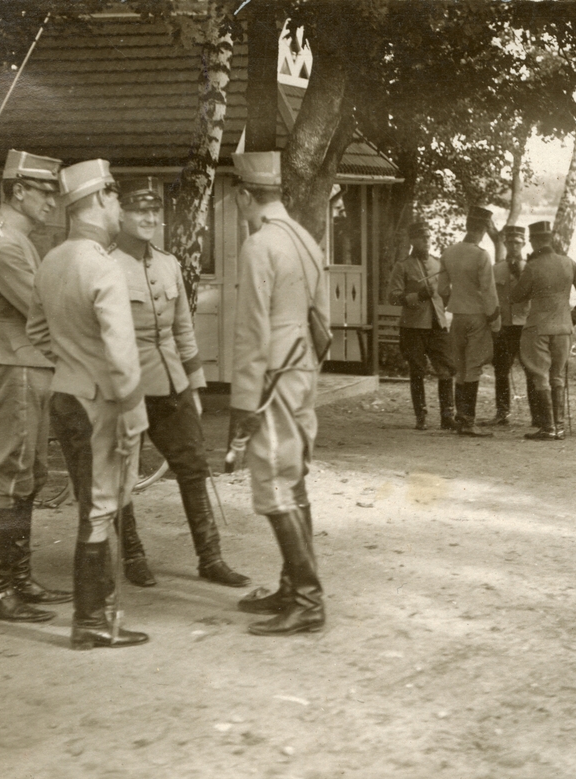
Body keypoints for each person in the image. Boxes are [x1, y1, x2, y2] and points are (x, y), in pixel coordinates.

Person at [27, 159, 150, 649]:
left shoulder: (51, 260)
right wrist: (135, 415)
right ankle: (91, 621)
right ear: (99, 198)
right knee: (100, 509)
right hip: (101, 404)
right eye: (116, 196)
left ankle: (93, 616)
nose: (120, 207)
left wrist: (72, 363)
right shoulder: (103, 265)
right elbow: (121, 353)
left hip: (65, 395)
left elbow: (37, 332)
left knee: (91, 504)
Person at [108, 177, 250, 589]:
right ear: (120, 214)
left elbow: (183, 330)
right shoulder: (107, 264)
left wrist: (195, 385)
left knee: (193, 466)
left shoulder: (168, 264)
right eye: (139, 210)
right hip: (126, 387)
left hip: (171, 384)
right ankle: (133, 555)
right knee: (121, 473)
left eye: (155, 211)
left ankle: (211, 557)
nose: (149, 218)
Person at [226, 151, 331, 637]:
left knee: (272, 481)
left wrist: (243, 403)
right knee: (293, 477)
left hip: (272, 376)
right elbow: (324, 321)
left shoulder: (259, 244)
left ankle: (307, 600)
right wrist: (304, 367)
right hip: (301, 367)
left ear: (244, 195)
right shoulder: (305, 238)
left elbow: (251, 330)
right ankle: (293, 588)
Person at [0, 149, 71, 623]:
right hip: (16, 362)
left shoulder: (19, 240)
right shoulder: (4, 245)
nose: (51, 201)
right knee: (11, 472)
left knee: (31, 473)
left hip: (29, 363)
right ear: (18, 192)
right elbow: (42, 309)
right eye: (43, 192)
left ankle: (18, 578)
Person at [511, 221, 576, 440]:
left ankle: (548, 427)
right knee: (557, 376)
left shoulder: (532, 266)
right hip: (563, 328)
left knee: (541, 376)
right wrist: (574, 317)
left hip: (538, 328)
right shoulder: (569, 263)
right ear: (550, 240)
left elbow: (516, 296)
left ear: (534, 241)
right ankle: (558, 427)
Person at [438, 206, 501, 437]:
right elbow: (489, 292)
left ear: (467, 226)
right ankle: (468, 422)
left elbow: (442, 289)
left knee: (461, 367)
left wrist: (453, 303)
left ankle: (461, 418)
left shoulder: (449, 252)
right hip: (477, 317)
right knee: (473, 367)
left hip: (457, 317)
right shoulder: (481, 255)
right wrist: (495, 321)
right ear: (483, 229)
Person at [386, 220, 455, 431]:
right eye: (421, 238)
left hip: (437, 325)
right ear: (412, 240)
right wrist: (417, 296)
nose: (426, 241)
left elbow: (446, 294)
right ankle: (421, 416)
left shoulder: (438, 265)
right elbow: (393, 297)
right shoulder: (403, 266)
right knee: (417, 371)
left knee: (446, 369)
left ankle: (447, 416)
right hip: (413, 327)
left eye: (427, 237)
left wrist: (446, 300)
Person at [483, 224, 532, 427]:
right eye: (510, 242)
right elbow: (490, 298)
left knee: (532, 369)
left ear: (524, 244)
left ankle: (538, 415)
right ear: (504, 243)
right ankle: (502, 412)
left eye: (517, 243)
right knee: (501, 369)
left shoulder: (530, 268)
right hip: (504, 327)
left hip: (525, 326)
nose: (513, 246)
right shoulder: (496, 269)